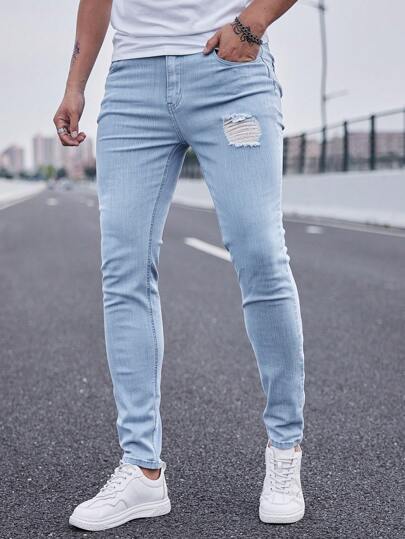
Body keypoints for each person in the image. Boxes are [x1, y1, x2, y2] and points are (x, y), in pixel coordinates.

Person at [54, 0, 305, 531]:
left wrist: (253, 22)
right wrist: (76, 84)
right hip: (133, 82)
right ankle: (142, 469)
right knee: (124, 269)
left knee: (261, 254)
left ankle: (285, 450)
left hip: (229, 69)